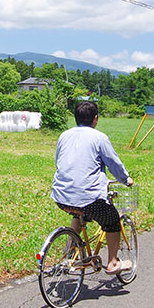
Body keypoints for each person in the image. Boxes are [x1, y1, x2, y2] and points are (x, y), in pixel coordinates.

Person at [51, 101, 134, 275]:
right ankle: (112, 262)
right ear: (95, 118)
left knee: (80, 213)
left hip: (61, 196)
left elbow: (60, 161)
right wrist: (125, 179)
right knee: (111, 220)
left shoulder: (64, 135)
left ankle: (69, 254)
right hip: (88, 196)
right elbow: (113, 163)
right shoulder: (99, 137)